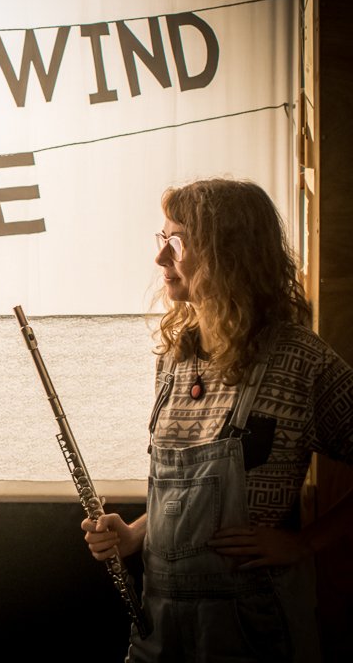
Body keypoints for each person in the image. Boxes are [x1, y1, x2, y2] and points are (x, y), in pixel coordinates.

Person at [82, 178, 353, 662]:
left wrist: (305, 544)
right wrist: (135, 533)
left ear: (230, 254)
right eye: (161, 240)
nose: (161, 259)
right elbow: (186, 501)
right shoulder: (174, 358)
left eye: (178, 243)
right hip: (161, 628)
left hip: (254, 632)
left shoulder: (300, 362)